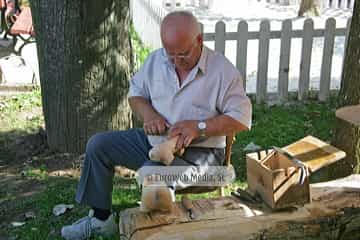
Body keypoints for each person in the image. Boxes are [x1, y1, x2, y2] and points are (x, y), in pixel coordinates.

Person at [61, 10, 252, 240]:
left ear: (199, 41)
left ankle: (159, 227)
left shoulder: (222, 71)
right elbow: (136, 95)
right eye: (170, 54)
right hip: (152, 143)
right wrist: (149, 114)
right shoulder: (156, 59)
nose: (175, 61)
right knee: (98, 145)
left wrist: (198, 127)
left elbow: (241, 118)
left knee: (153, 174)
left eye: (182, 54)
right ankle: (101, 220)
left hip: (203, 155)